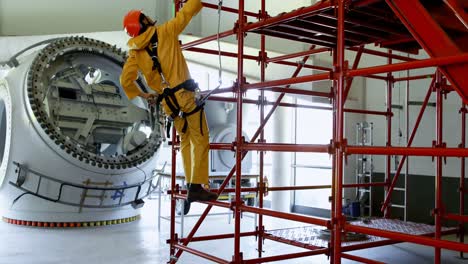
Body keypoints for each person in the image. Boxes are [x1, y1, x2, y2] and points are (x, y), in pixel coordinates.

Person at [120, 0, 218, 213]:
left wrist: (144, 94)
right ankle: (196, 185)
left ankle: (193, 184)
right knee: (200, 137)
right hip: (185, 96)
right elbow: (187, 13)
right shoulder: (165, 32)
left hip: (168, 104)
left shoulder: (135, 53)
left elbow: (126, 81)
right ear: (143, 23)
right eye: (144, 17)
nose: (148, 18)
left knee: (185, 140)